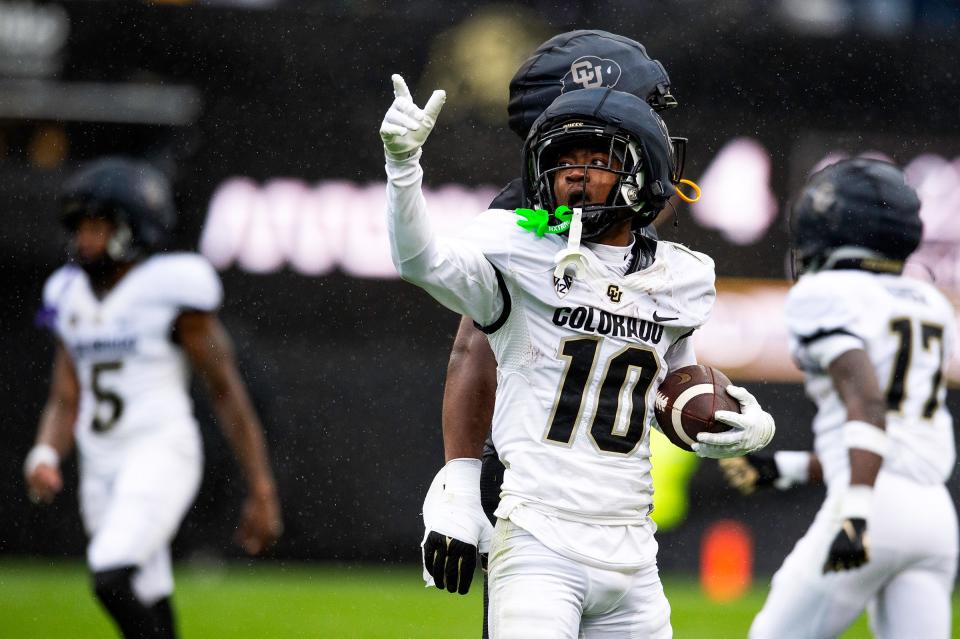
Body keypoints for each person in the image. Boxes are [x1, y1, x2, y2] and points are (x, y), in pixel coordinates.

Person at [381, 76, 776, 636]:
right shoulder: (518, 247)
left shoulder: (682, 277)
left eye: (597, 157)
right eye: (564, 158)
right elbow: (419, 260)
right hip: (540, 542)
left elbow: (675, 378)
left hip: (635, 553)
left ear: (643, 172)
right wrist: (403, 167)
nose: (575, 171)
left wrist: (747, 420)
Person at [420, 32, 680, 619]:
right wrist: (460, 483)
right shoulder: (530, 217)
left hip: (604, 505)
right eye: (645, 108)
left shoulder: (619, 214)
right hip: (532, 485)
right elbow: (471, 350)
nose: (658, 128)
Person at [23, 157, 283, 639]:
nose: (85, 239)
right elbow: (65, 396)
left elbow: (226, 392)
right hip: (99, 464)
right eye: (81, 226)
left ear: (132, 227)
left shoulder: (172, 287)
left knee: (109, 573)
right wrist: (45, 451)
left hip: (159, 450)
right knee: (146, 593)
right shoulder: (67, 293)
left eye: (98, 225)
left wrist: (261, 487)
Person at [732, 158, 957, 639]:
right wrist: (788, 469)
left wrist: (856, 513)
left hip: (873, 505)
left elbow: (868, 405)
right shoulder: (932, 302)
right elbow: (894, 437)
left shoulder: (826, 293)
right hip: (936, 517)